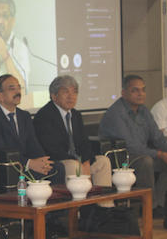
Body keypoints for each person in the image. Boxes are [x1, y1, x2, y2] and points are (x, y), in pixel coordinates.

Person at [99, 75, 167, 217]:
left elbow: (157, 137)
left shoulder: (144, 111)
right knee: (146, 162)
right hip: (120, 160)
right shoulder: (116, 113)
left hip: (141, 154)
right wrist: (160, 154)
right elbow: (130, 146)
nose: (140, 94)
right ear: (124, 93)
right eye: (135, 90)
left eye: (143, 90)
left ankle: (159, 204)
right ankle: (149, 206)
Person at [33, 75, 113, 207]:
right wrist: (79, 162)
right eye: (66, 92)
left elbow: (84, 142)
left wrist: (86, 160)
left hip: (77, 161)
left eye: (74, 92)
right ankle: (78, 214)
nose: (71, 96)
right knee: (73, 166)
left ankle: (105, 208)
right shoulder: (44, 116)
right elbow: (51, 148)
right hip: (58, 161)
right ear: (54, 96)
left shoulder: (75, 115)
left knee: (103, 162)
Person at [0, 74, 64, 184]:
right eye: (12, 88)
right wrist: (29, 163)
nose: (18, 92)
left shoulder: (24, 116)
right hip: (9, 167)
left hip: (26, 165)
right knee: (38, 175)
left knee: (57, 168)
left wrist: (43, 161)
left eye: (19, 87)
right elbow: (0, 152)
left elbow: (33, 144)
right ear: (0, 95)